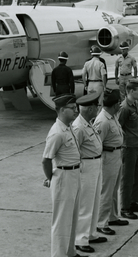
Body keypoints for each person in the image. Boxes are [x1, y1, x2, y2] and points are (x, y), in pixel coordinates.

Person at [41, 94, 86, 257]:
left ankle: (70, 252)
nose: (76, 111)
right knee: (61, 222)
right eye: (72, 108)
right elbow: (46, 160)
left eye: (76, 108)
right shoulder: (57, 132)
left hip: (74, 175)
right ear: (61, 110)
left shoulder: (69, 127)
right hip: (63, 177)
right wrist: (52, 179)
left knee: (73, 218)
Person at [72, 91, 106, 253]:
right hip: (86, 167)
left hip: (95, 164)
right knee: (85, 204)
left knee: (94, 201)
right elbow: (73, 151)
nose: (98, 109)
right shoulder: (78, 127)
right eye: (96, 107)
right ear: (90, 109)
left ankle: (91, 233)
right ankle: (81, 239)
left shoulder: (88, 123)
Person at [94, 89, 129, 237]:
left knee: (114, 189)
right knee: (106, 191)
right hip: (108, 158)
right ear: (114, 105)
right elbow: (96, 145)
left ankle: (113, 216)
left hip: (116, 155)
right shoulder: (102, 121)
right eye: (118, 103)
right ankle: (101, 223)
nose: (120, 105)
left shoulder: (111, 116)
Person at [118, 80, 138, 219]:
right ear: (130, 91)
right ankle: (125, 206)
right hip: (128, 146)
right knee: (127, 177)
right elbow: (119, 127)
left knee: (137, 174)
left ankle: (134, 200)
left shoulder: (136, 104)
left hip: (137, 144)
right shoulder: (124, 108)